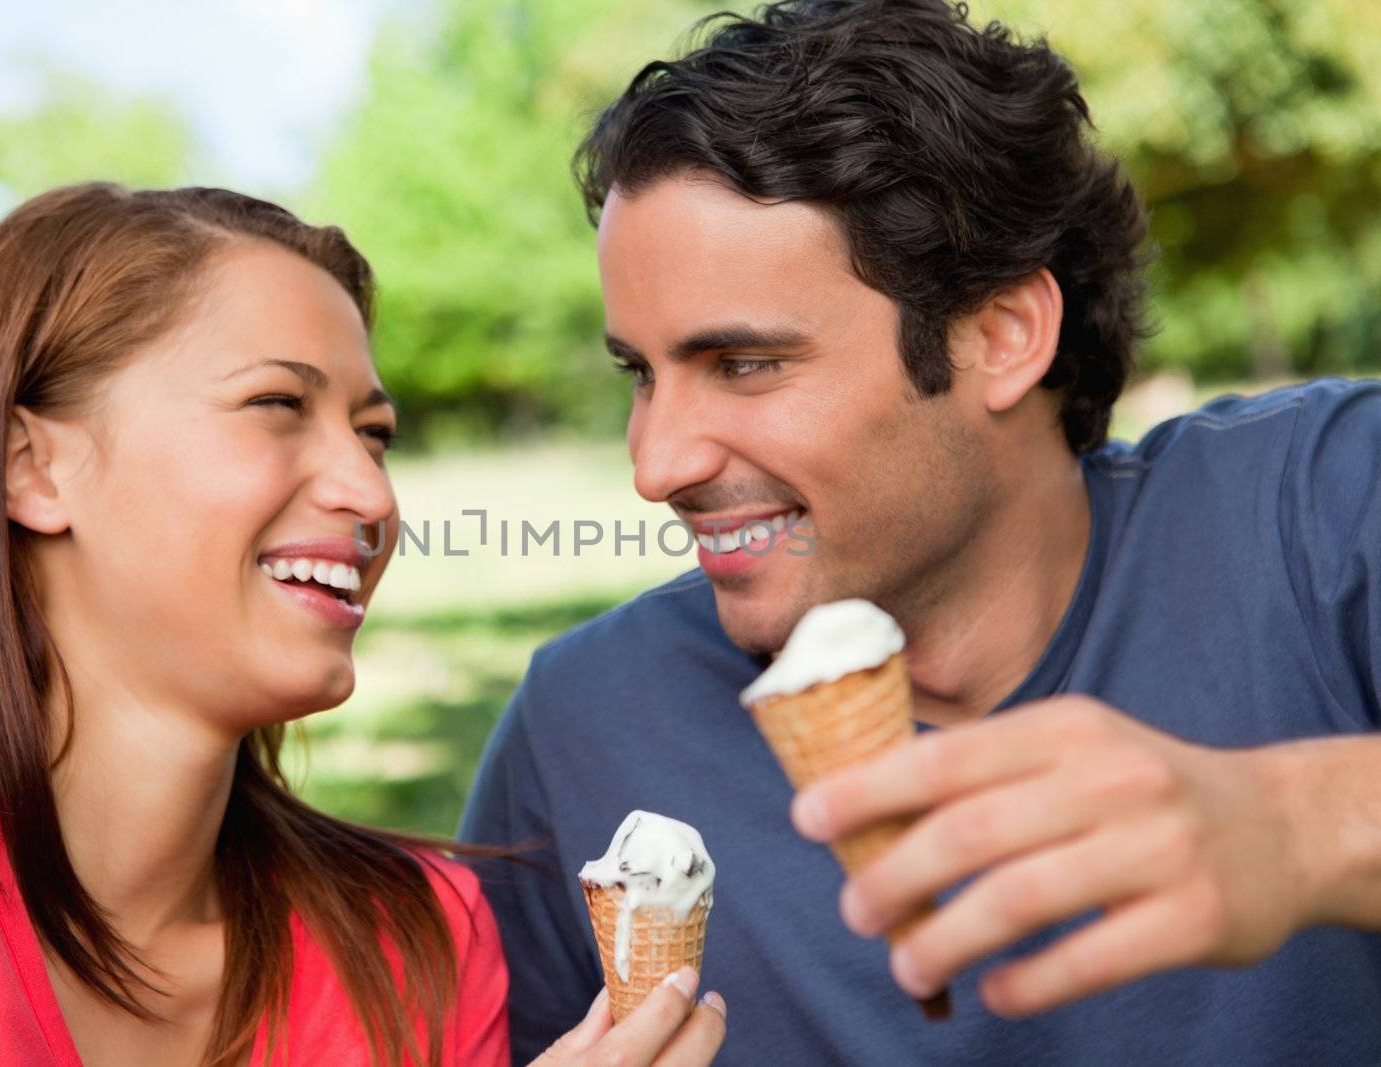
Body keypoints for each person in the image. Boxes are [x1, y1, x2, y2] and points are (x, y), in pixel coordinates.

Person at [459, 1, 1381, 1063]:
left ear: (1001, 334)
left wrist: (1301, 825)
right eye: (640, 373)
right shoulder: (585, 728)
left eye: (745, 363)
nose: (656, 466)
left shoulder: (1323, 515)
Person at [0, 184, 726, 1067]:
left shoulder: (419, 942)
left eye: (374, 433)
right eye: (277, 404)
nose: (370, 492)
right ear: (30, 469)